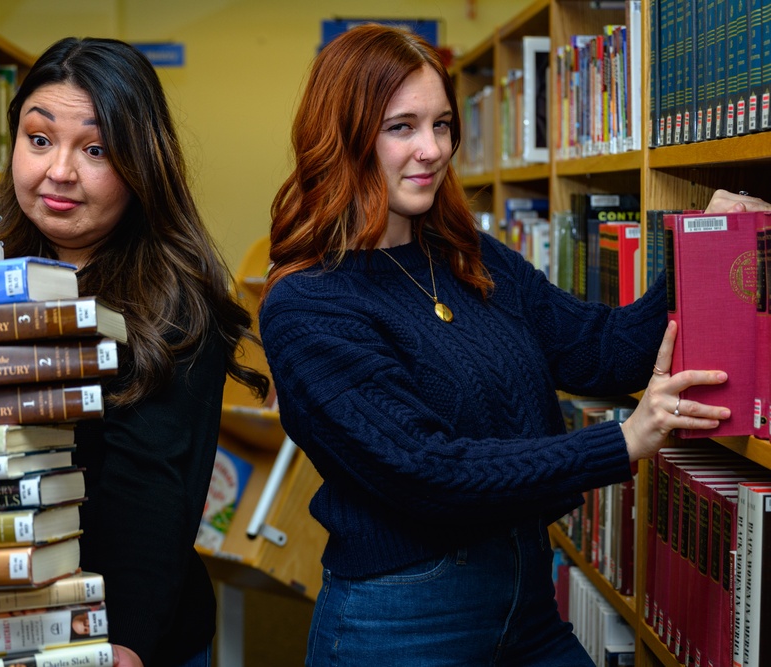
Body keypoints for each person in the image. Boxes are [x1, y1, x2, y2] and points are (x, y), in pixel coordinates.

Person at [257, 23, 771, 667]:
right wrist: (621, 442)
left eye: (442, 124)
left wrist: (701, 251)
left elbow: (598, 349)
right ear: (343, 137)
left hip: (525, 595)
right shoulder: (308, 304)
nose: (431, 149)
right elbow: (428, 472)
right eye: (402, 127)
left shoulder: (468, 257)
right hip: (402, 624)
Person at [0, 37, 267, 667]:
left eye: (96, 149)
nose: (59, 172)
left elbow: (154, 490)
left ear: (141, 163)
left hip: (115, 623)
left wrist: (122, 643)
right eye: (39, 138)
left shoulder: (177, 301)